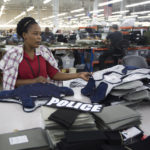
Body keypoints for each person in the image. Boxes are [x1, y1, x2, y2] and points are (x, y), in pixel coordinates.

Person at [0, 17, 90, 90]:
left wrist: (78, 75)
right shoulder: (13, 55)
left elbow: (54, 74)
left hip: (43, 96)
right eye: (35, 34)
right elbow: (9, 81)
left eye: (40, 34)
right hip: (20, 99)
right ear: (24, 35)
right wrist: (34, 81)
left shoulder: (44, 52)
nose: (39, 37)